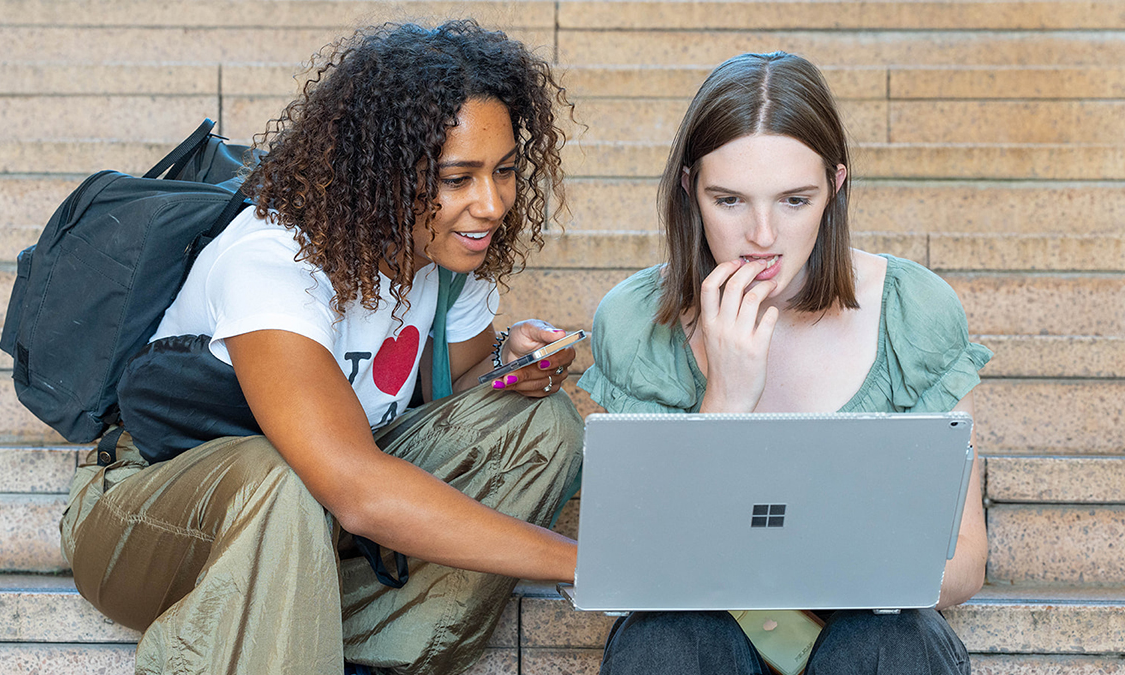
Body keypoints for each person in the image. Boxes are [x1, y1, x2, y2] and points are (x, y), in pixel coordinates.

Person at [60, 21, 584, 675]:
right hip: (156, 518)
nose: (491, 203)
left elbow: (449, 390)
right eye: (457, 178)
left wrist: (509, 365)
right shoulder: (275, 261)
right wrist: (587, 560)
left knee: (540, 422)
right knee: (284, 480)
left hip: (320, 520)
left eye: (504, 170)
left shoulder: (448, 252)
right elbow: (356, 488)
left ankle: (335, 640)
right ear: (381, 170)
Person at [578, 51, 991, 675]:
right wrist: (725, 402)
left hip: (869, 637)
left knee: (891, 642)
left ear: (836, 187)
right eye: (730, 200)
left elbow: (964, 561)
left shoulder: (915, 311)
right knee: (662, 643)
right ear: (690, 189)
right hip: (704, 637)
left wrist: (820, 571)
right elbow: (642, 567)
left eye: (795, 200)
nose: (763, 236)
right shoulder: (635, 323)